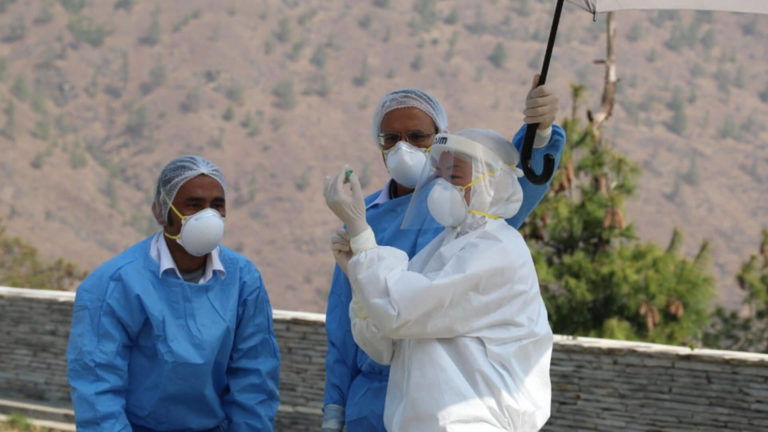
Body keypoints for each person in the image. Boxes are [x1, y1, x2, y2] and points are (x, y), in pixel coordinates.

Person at [322, 79, 564, 431]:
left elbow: (514, 174)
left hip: (465, 413)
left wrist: (539, 135)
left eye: (417, 136)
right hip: (386, 407)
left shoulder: (494, 245)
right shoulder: (437, 235)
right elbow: (354, 330)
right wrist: (335, 407)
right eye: (391, 138)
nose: (403, 147)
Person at [66, 155, 280, 432]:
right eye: (193, 205)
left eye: (217, 205)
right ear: (161, 211)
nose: (208, 216)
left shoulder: (243, 279)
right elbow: (97, 386)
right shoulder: (114, 284)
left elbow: (255, 376)